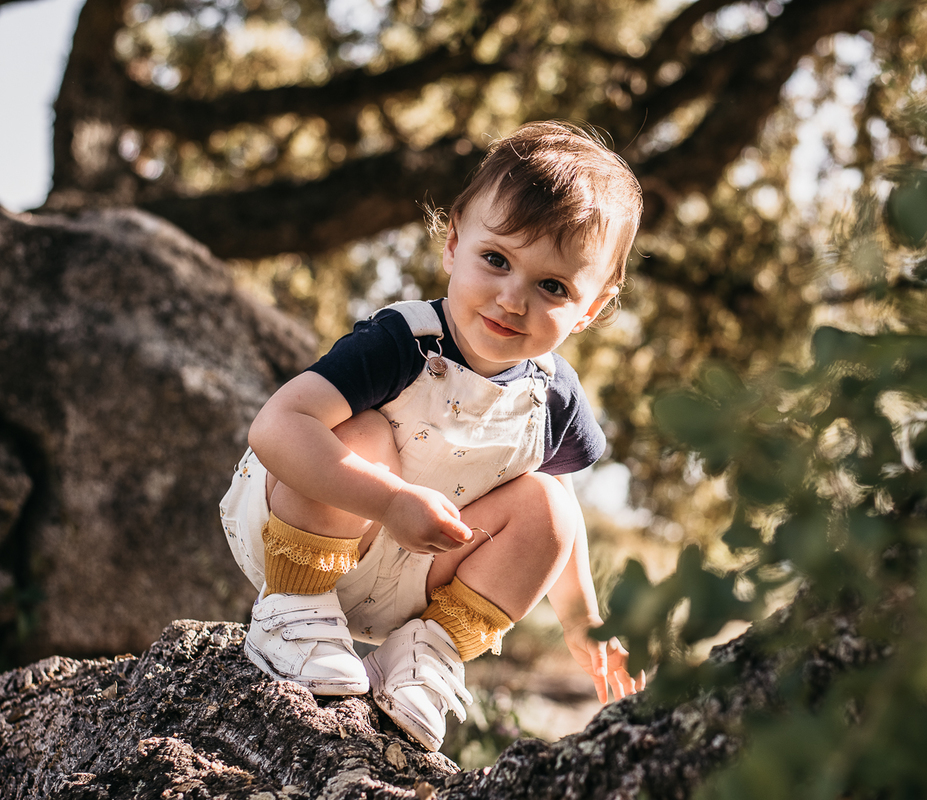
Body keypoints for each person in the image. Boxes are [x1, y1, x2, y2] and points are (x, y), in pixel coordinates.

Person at [218, 121, 646, 751]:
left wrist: (583, 623)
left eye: (552, 286)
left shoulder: (555, 400)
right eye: (495, 259)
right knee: (362, 433)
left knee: (551, 504)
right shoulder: (400, 343)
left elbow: (559, 531)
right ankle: (295, 615)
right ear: (452, 244)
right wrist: (387, 500)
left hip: (417, 579)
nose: (511, 298)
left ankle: (425, 653)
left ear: (593, 307)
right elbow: (277, 427)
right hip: (301, 537)